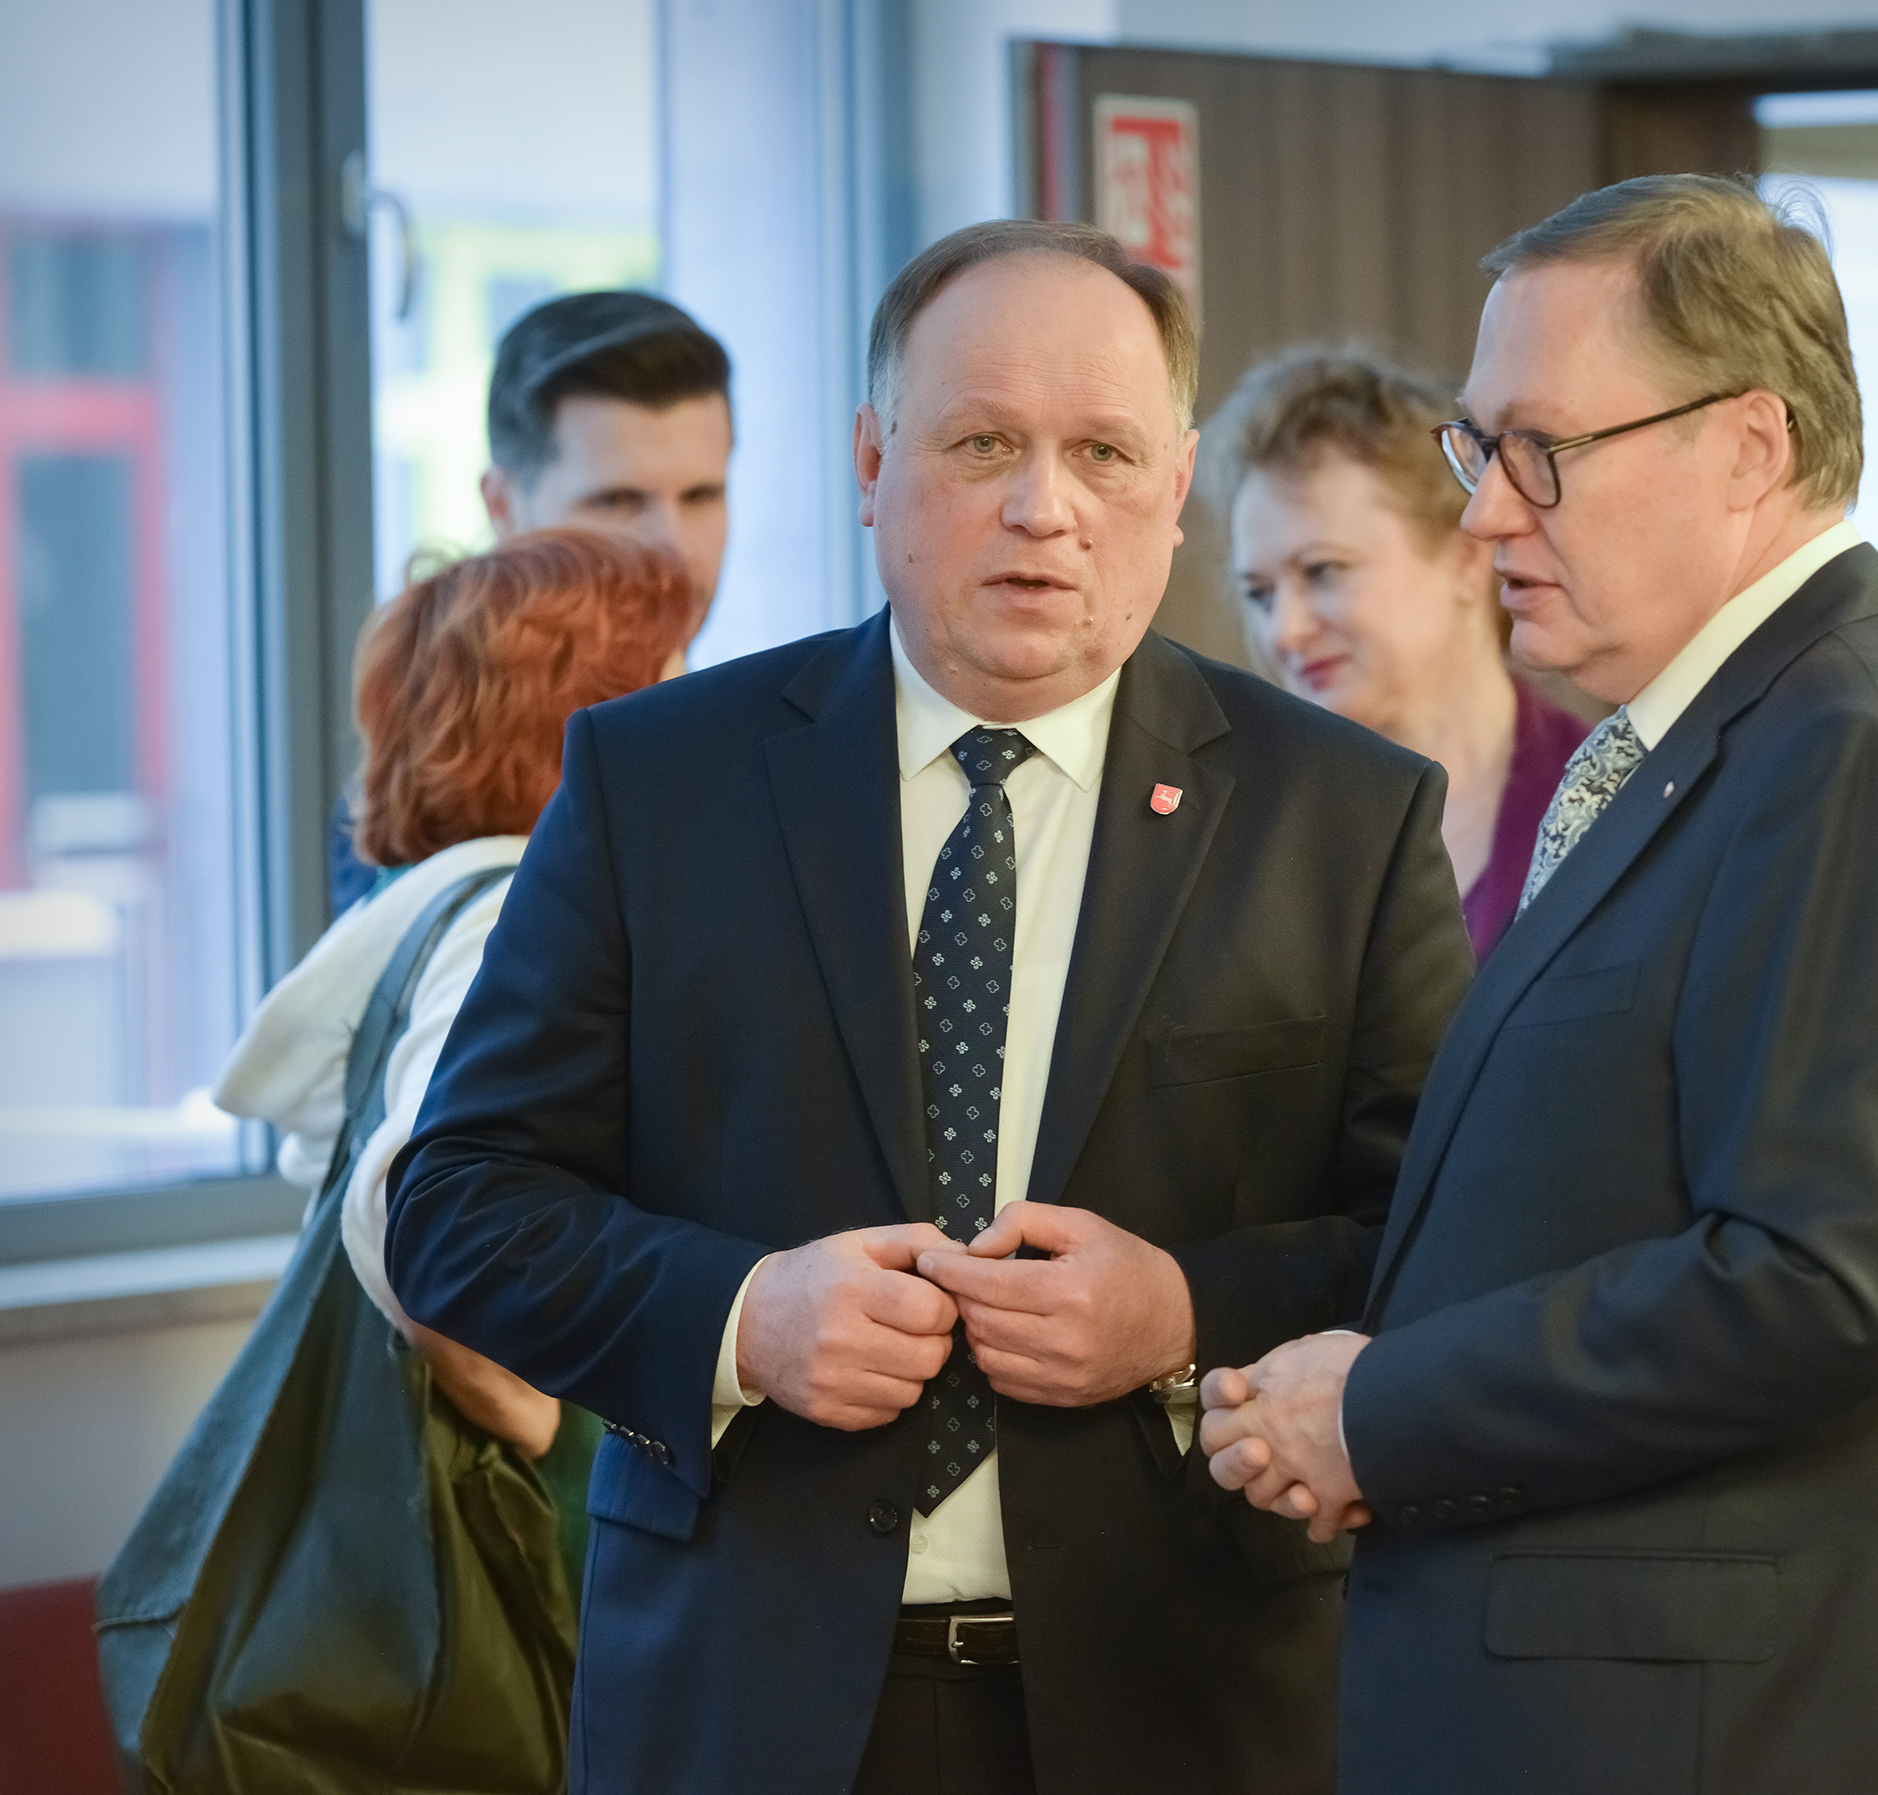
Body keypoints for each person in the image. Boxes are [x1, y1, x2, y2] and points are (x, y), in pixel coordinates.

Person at [384, 219, 1474, 1795]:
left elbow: (1446, 1237)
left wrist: (1184, 1310)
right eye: (981, 444)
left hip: (1188, 1697)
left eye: (1103, 452)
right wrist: (741, 1315)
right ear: (871, 460)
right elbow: (460, 1205)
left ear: (1174, 485)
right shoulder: (659, 781)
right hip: (743, 1698)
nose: (1044, 507)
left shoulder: (1341, 817)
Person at [1200, 173, 1878, 1794]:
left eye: (1541, 450)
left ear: (1746, 446)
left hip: (1727, 1725)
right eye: (1478, 450)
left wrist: (1383, 1409)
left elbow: (1810, 1286)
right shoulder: (1737, 736)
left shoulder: (1850, 753)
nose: (1485, 513)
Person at [216, 526, 698, 1473]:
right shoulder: (509, 914)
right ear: (577, 722)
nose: (701, 726)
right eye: (675, 688)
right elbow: (408, 1200)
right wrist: (530, 1419)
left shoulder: (436, 900)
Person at [328, 290, 734, 913]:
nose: (673, 548)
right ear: (501, 507)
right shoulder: (425, 808)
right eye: (617, 501)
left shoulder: (770, 755)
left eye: (702, 496)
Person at [1201, 345, 1590, 959]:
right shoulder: (1237, 842)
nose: (1284, 631)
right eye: (1260, 593)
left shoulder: (1606, 803)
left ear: (1466, 558)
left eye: (1323, 571)